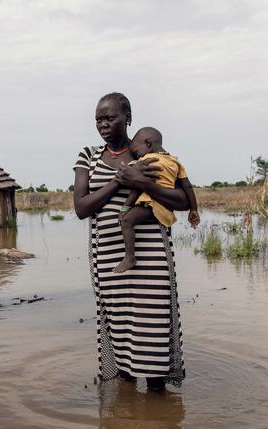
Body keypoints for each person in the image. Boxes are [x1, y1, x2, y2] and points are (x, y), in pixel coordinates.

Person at [73, 92, 188, 391]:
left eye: (110, 117)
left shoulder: (151, 154)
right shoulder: (89, 155)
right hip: (111, 260)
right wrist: (120, 181)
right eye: (98, 119)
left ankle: (158, 420)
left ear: (128, 118)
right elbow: (82, 208)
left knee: (153, 343)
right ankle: (125, 421)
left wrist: (144, 183)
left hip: (151, 260)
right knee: (122, 341)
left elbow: (184, 200)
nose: (103, 124)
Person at [113, 126, 199, 273]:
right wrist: (194, 209)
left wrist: (125, 208)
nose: (137, 157)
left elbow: (138, 187)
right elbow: (188, 187)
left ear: (148, 144)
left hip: (151, 203)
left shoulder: (147, 160)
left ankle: (130, 257)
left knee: (127, 222)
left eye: (137, 152)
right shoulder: (175, 162)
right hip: (166, 207)